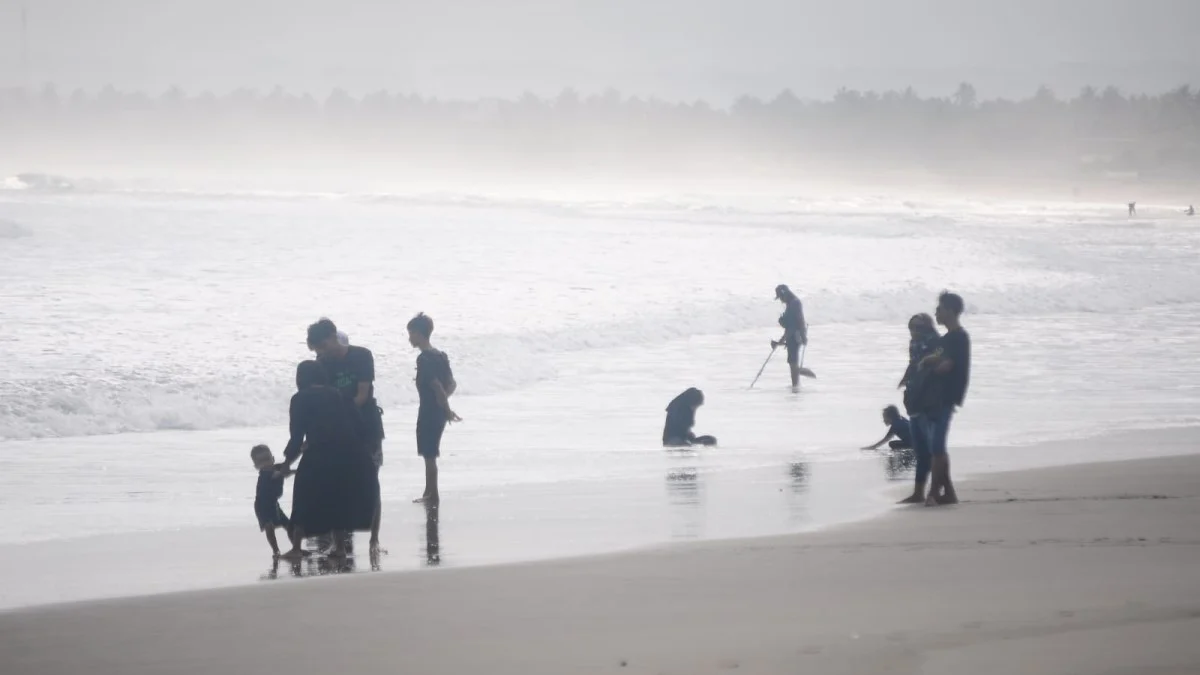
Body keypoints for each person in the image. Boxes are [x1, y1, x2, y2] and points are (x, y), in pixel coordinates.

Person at [276, 360, 380, 559]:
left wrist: (287, 463)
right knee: (338, 499)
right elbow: (360, 427)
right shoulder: (341, 395)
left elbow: (297, 436)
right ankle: (339, 548)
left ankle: (297, 547)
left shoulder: (300, 399)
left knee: (303, 496)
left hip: (322, 453)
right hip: (352, 454)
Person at [307, 318, 385, 551]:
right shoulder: (322, 364)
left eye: (322, 346)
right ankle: (340, 540)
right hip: (338, 431)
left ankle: (374, 539)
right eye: (317, 350)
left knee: (371, 482)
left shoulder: (361, 355)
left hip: (367, 426)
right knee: (339, 484)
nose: (321, 353)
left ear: (333, 337)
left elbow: (362, 395)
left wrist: (339, 415)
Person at [918, 291, 971, 507]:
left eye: (939, 309)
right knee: (936, 447)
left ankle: (933, 492)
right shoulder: (947, 338)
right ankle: (948, 492)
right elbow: (939, 358)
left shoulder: (959, 337)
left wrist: (931, 366)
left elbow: (948, 365)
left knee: (937, 447)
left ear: (949, 311)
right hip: (935, 399)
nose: (936, 313)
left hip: (946, 397)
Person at [408, 313, 460, 506]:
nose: (409, 338)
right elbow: (452, 384)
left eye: (411, 333)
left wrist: (445, 408)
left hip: (429, 412)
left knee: (429, 454)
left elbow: (437, 385)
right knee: (430, 452)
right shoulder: (441, 356)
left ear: (419, 334)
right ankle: (429, 491)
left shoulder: (424, 359)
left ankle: (432, 494)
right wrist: (444, 406)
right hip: (436, 410)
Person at [897, 313, 941, 504]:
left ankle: (935, 492)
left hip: (930, 402)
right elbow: (912, 364)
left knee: (933, 450)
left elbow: (942, 362)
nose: (913, 331)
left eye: (917, 327)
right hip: (914, 400)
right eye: (911, 327)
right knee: (921, 450)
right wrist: (905, 379)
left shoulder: (935, 343)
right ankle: (918, 492)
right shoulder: (914, 344)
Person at [250, 444, 293, 557]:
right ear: (256, 466)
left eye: (267, 459)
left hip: (274, 504)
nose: (266, 463)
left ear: (273, 459)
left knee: (288, 525)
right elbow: (276, 475)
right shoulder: (265, 474)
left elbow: (286, 466)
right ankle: (276, 551)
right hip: (262, 505)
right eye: (261, 461)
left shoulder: (276, 468)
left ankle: (296, 547)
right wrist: (286, 472)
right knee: (269, 527)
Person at [771, 284, 809, 391]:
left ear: (785, 294)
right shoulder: (791, 304)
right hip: (792, 336)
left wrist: (802, 336)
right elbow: (789, 326)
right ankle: (795, 385)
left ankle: (795, 387)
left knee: (793, 363)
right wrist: (780, 341)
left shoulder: (794, 303)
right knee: (792, 362)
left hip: (795, 336)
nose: (781, 301)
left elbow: (796, 324)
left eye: (781, 297)